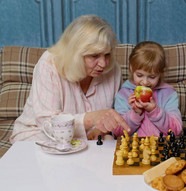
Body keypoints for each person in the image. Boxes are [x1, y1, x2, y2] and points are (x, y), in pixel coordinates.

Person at [10, 15, 130, 143]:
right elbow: (47, 123)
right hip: (40, 134)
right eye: (94, 55)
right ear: (76, 54)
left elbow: (112, 117)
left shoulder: (113, 69)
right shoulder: (49, 63)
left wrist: (103, 129)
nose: (103, 63)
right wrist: (91, 119)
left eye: (107, 54)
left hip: (86, 141)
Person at [112, 41, 182, 137]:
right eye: (139, 75)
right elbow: (118, 132)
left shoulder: (169, 94)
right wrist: (135, 113)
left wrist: (154, 111)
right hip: (134, 148)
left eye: (152, 77)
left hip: (160, 148)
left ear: (160, 73)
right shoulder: (123, 95)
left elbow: (176, 130)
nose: (145, 82)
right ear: (132, 69)